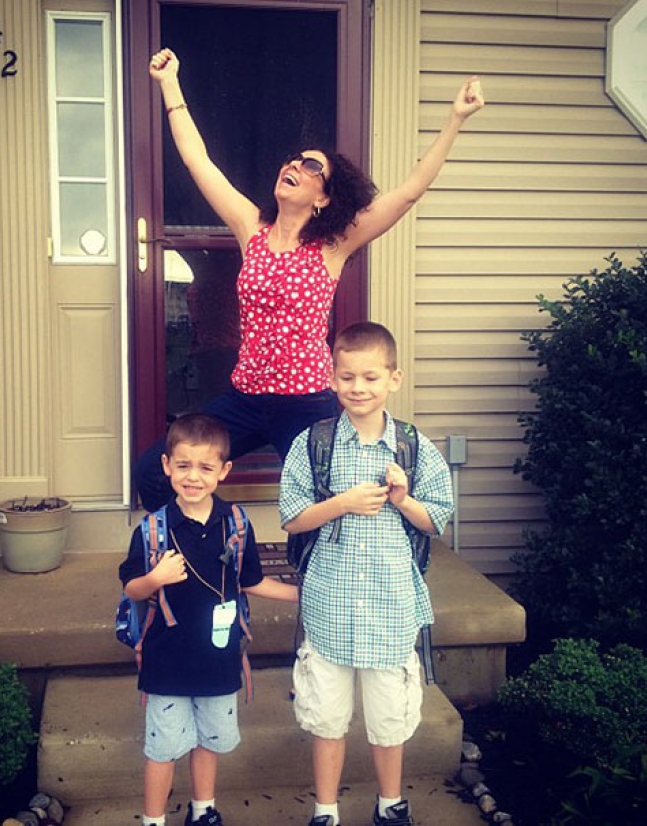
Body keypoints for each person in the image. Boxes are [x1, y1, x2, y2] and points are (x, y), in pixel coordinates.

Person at [135, 48, 484, 511]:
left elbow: (407, 193)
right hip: (244, 397)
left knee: (322, 500)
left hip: (305, 403)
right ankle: (192, 550)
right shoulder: (250, 228)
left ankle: (317, 578)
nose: (295, 166)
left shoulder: (333, 244)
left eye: (311, 166)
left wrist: (455, 120)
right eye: (293, 160)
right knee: (152, 470)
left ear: (323, 197)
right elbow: (199, 162)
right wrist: (170, 85)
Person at [279, 322, 455, 826]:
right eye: (348, 376)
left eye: (371, 377)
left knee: (388, 719)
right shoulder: (313, 444)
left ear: (394, 379)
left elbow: (435, 519)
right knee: (327, 717)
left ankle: (389, 804)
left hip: (390, 608)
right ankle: (326, 811)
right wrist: (340, 503)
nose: (359, 388)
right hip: (329, 607)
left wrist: (404, 500)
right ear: (332, 378)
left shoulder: (412, 448)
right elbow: (292, 516)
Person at [119, 413, 300, 826]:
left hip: (220, 657)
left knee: (209, 742)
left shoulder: (235, 524)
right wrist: (154, 578)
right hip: (167, 660)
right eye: (183, 466)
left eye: (205, 467)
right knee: (162, 748)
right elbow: (131, 588)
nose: (193, 477)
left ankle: (203, 811)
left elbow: (251, 580)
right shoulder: (151, 530)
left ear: (224, 471)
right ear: (166, 466)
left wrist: (302, 595)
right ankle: (153, 819)